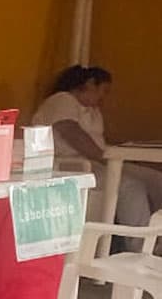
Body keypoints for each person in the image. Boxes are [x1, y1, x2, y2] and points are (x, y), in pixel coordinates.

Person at [33, 64, 162, 250]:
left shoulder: (92, 111)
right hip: (74, 165)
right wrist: (104, 156)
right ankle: (141, 247)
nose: (104, 97)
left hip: (101, 161)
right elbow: (71, 132)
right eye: (104, 90)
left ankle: (157, 237)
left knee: (156, 179)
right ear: (90, 84)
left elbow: (99, 140)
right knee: (130, 187)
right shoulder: (62, 100)